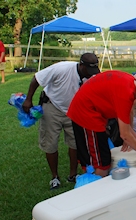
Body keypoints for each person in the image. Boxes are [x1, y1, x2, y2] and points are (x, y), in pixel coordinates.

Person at [22, 53, 100, 190]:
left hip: (74, 110)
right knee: (50, 143)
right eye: (88, 70)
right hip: (52, 107)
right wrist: (28, 99)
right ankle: (54, 177)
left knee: (75, 143)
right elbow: (37, 78)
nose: (91, 74)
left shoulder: (91, 75)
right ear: (81, 65)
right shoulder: (61, 69)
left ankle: (73, 174)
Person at [67, 70, 136, 177]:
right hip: (85, 113)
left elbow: (129, 115)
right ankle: (98, 187)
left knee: (104, 157)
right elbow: (124, 134)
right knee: (100, 162)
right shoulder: (125, 95)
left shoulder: (133, 84)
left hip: (94, 111)